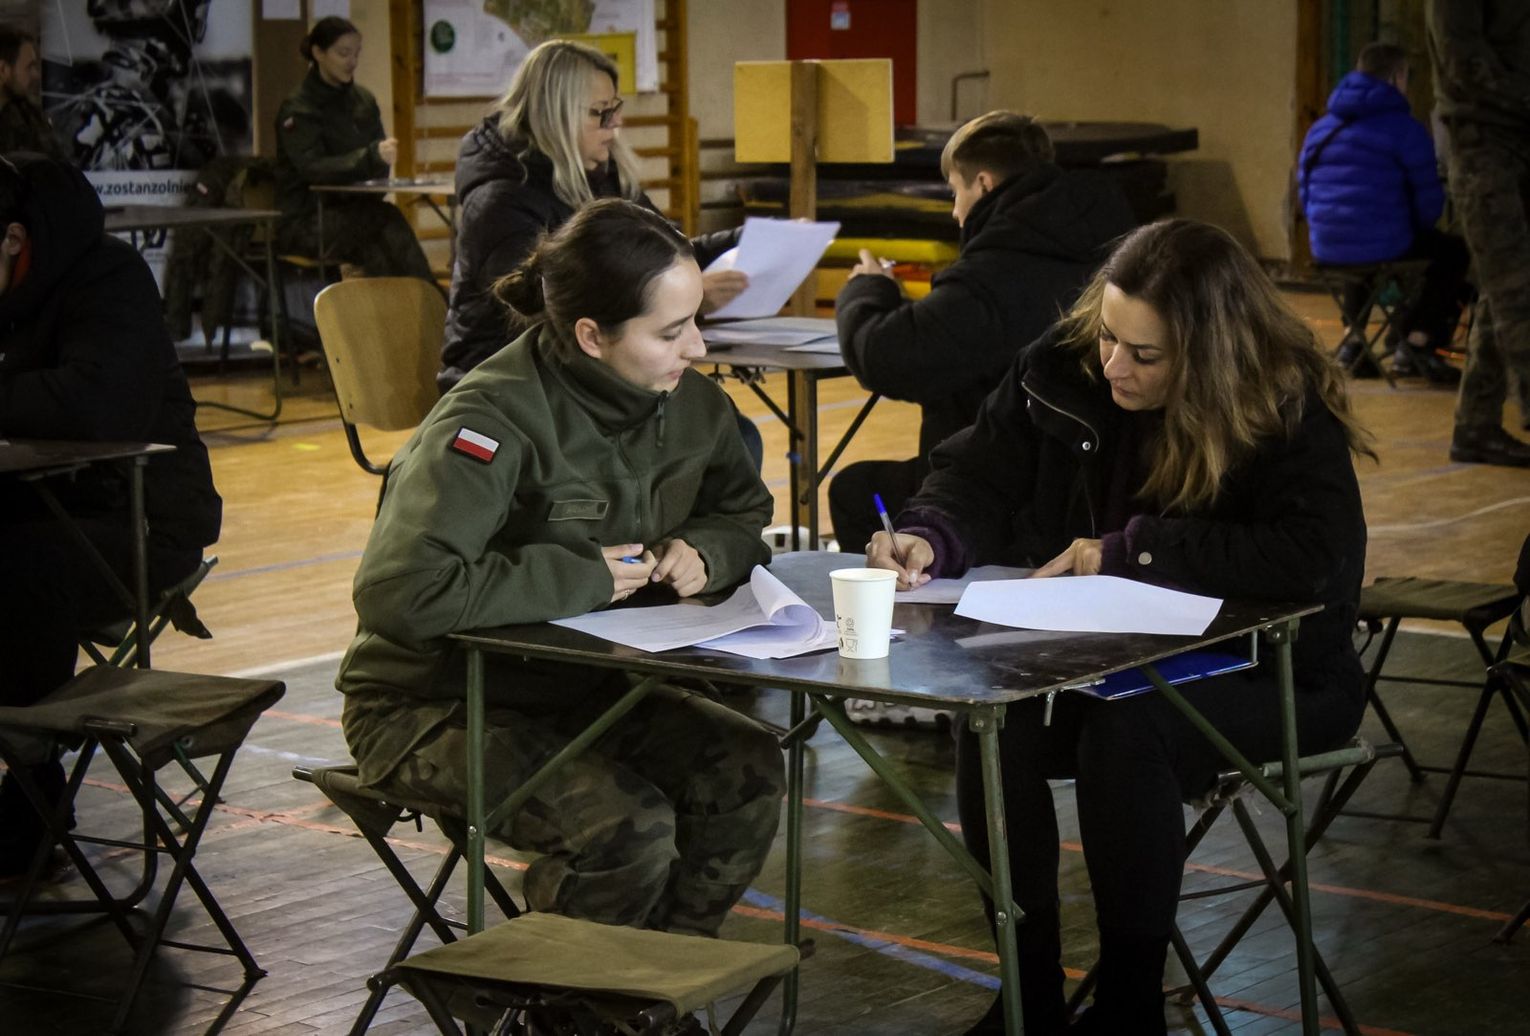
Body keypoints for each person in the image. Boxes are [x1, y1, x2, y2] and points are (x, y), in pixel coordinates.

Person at [868, 220, 1370, 1034]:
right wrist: (931, 533)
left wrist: (1133, 551)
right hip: (1091, 657)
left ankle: (1132, 1006)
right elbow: (980, 471)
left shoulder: (1280, 405)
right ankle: (1027, 996)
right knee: (995, 725)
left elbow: (1310, 557)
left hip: (1273, 673)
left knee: (1129, 728)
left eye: (1145, 355)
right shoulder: (1062, 367)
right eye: (1108, 336)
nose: (1113, 366)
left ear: (1209, 355)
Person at [335, 198, 783, 937]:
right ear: (591, 336)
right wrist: (584, 576)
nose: (698, 347)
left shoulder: (691, 404)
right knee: (625, 832)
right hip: (431, 705)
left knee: (748, 773)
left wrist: (709, 551)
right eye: (670, 331)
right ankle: (550, 991)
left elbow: (742, 512)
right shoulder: (489, 420)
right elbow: (400, 593)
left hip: (585, 687)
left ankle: (655, 975)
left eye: (696, 321)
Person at [0, 153, 222, 876]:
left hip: (145, 522)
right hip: (45, 508)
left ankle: (32, 791)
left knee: (17, 574)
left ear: (13, 240)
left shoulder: (109, 279)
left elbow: (96, 405)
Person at [827, 111, 1134, 554]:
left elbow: (888, 356)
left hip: (1018, 485)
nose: (955, 212)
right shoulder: (1104, 241)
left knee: (855, 493)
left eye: (956, 192)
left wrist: (867, 287)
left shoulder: (1001, 268)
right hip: (1094, 477)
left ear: (985, 184)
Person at [437, 39, 748, 393]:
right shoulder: (501, 200)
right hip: (509, 384)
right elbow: (543, 312)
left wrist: (753, 238)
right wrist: (685, 301)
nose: (616, 123)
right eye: (601, 112)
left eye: (615, 108)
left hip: (585, 373)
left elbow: (667, 254)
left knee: (710, 412)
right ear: (556, 114)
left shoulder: (604, 175)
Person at [1298, 41, 1470, 381]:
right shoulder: (1404, 128)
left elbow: (1304, 190)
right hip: (1382, 244)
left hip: (1326, 245)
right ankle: (1417, 341)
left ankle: (1353, 342)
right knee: (1453, 253)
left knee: (1360, 242)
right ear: (1397, 77)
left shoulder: (1321, 128)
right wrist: (1419, 225)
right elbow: (1428, 200)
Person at [1426, 0, 1530, 467]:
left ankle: (1476, 425)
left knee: (1501, 285)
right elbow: (1461, 59)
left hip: (1517, 132)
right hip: (1483, 138)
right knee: (1515, 288)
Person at [272, 16, 434, 283]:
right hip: (305, 220)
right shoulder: (298, 108)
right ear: (318, 53)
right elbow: (313, 168)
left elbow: (377, 170)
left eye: (356, 54)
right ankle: (433, 300)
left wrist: (382, 159)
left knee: (381, 245)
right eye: (343, 53)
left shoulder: (363, 101)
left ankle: (416, 304)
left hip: (357, 213)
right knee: (384, 221)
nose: (352, 61)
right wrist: (370, 157)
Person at [0, 27, 64, 160]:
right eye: (29, 67)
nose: (36, 75)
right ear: (3, 70)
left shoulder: (30, 115)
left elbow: (56, 163)